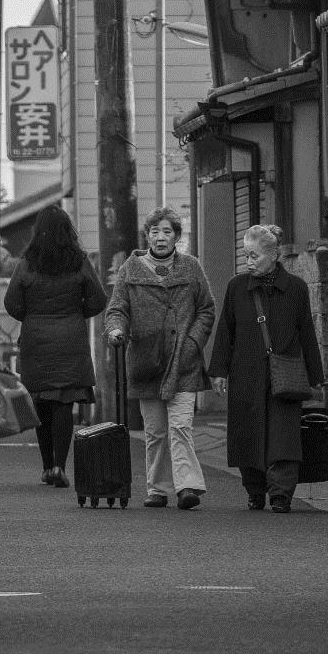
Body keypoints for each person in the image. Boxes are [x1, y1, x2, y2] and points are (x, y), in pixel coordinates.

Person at [208, 224, 324, 514]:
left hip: (284, 374)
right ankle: (255, 491)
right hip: (245, 372)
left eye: (255, 256)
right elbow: (226, 330)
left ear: (273, 255)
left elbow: (307, 332)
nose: (249, 262)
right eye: (246, 255)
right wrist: (219, 371)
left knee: (283, 434)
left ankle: (281, 494)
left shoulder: (296, 288)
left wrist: (316, 377)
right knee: (248, 432)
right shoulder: (237, 287)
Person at [104, 206, 215, 510]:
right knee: (155, 431)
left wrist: (193, 341)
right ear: (148, 236)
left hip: (184, 360)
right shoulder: (131, 269)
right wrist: (116, 330)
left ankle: (187, 486)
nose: (160, 237)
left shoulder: (191, 267)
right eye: (155, 231)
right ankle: (157, 488)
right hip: (146, 361)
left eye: (167, 232)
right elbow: (117, 309)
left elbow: (206, 308)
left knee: (180, 426)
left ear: (176, 237)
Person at [4, 205, 106, 488]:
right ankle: (60, 466)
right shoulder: (80, 261)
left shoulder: (27, 262)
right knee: (64, 402)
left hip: (36, 340)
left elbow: (11, 303)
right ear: (67, 231)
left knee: (41, 403)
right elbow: (98, 299)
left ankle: (47, 466)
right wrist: (76, 313)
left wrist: (32, 316)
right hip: (70, 339)